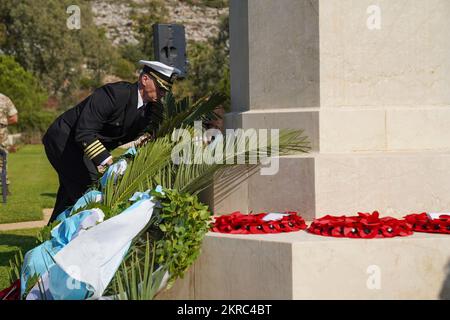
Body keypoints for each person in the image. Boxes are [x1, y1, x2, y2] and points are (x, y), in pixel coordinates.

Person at [43, 60, 180, 224]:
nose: (163, 93)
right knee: (90, 193)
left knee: (70, 195)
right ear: (145, 79)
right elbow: (84, 132)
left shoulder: (150, 110)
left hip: (83, 147)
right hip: (64, 141)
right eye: (160, 87)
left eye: (165, 90)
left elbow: (136, 135)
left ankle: (51, 236)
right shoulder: (113, 94)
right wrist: (107, 162)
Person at [0, 93, 19, 194]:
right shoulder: (4, 99)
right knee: (2, 161)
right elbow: (14, 118)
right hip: (2, 134)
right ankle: (5, 187)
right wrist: (3, 122)